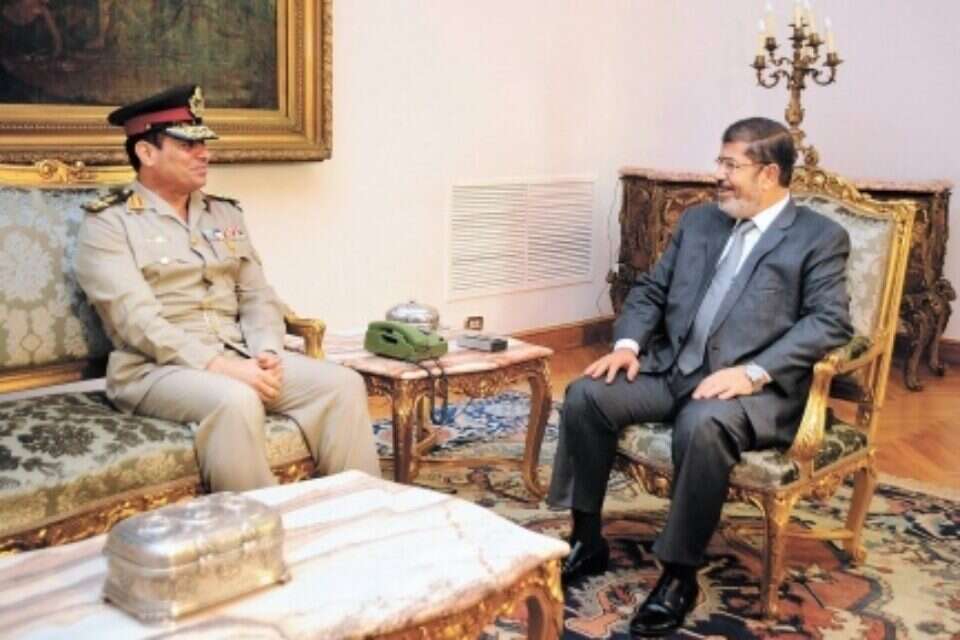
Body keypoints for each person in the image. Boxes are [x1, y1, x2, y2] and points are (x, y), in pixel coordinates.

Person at [548, 117, 853, 636]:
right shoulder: (699, 222)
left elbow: (829, 322)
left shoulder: (818, 238)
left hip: (750, 393)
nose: (719, 175)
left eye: (731, 165)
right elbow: (651, 290)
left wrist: (752, 373)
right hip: (674, 368)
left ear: (769, 173)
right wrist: (627, 346)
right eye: (720, 162)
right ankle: (586, 538)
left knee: (702, 424)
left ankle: (678, 574)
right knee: (586, 395)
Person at [75, 85, 381, 492]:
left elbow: (257, 295)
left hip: (239, 355)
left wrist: (267, 351)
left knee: (342, 384)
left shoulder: (224, 213)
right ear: (146, 153)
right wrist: (220, 367)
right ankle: (262, 521)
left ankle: (359, 509)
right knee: (236, 398)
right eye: (187, 146)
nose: (204, 154)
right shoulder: (108, 223)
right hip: (155, 370)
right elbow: (137, 322)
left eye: (203, 144)